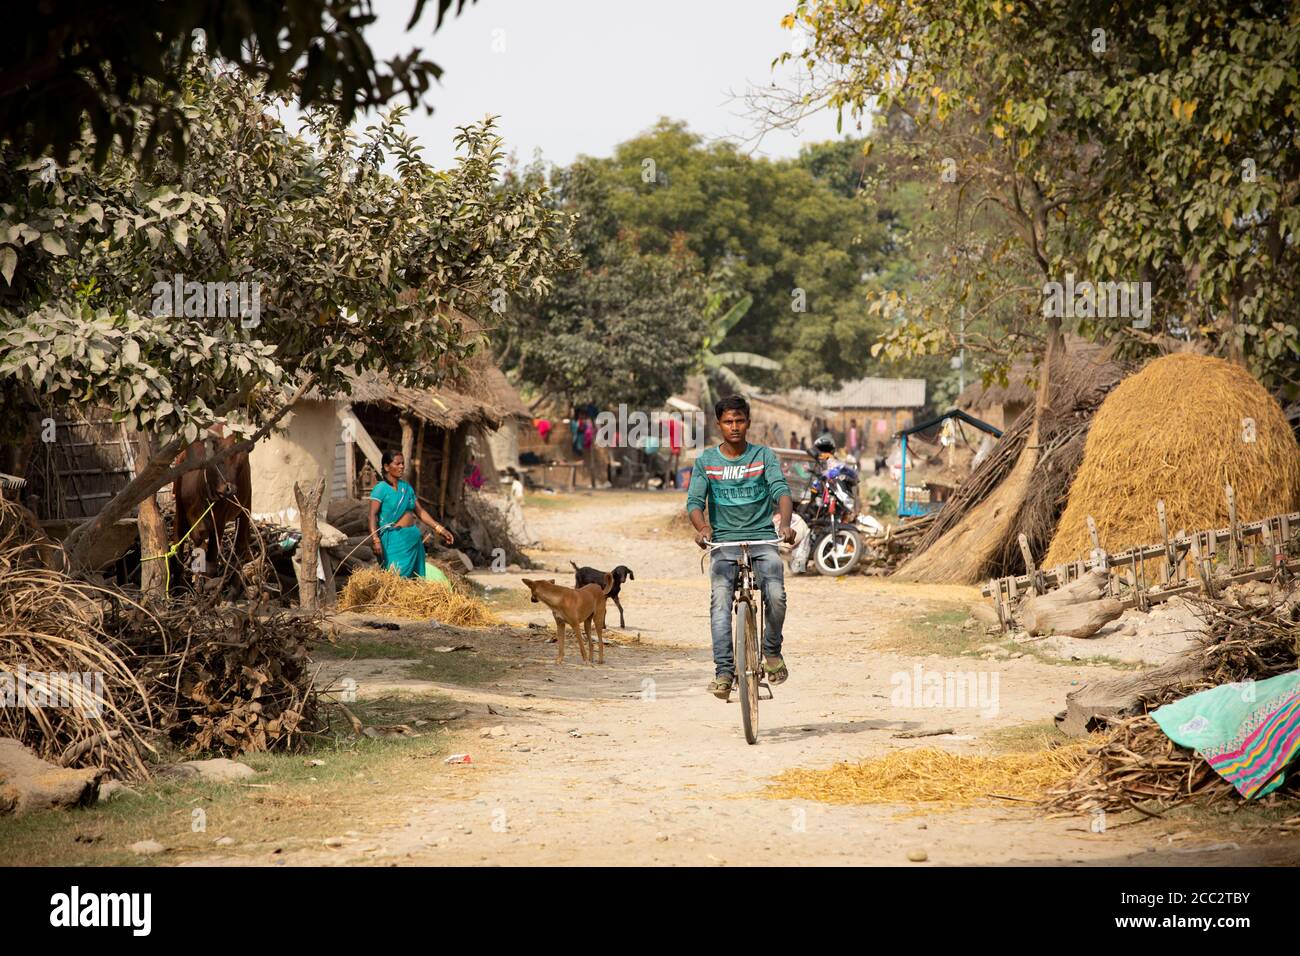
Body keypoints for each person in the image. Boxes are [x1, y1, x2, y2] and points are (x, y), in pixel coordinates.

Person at [686, 395, 796, 700]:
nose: (734, 427)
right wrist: (703, 528)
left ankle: (771, 653)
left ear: (748, 422)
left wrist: (784, 524)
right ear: (719, 424)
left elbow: (781, 491)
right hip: (723, 544)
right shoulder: (706, 461)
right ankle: (723, 672)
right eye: (728, 421)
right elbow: (694, 503)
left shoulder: (763, 456)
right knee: (720, 603)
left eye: (740, 421)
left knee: (776, 593)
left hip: (763, 539)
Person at [368, 450, 454, 578]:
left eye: (402, 463)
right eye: (397, 464)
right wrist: (375, 539)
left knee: (415, 581)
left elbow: (420, 511)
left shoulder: (406, 488)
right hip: (393, 540)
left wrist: (439, 528)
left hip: (413, 538)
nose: (402, 466)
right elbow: (371, 515)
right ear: (386, 467)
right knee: (395, 579)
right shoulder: (380, 489)